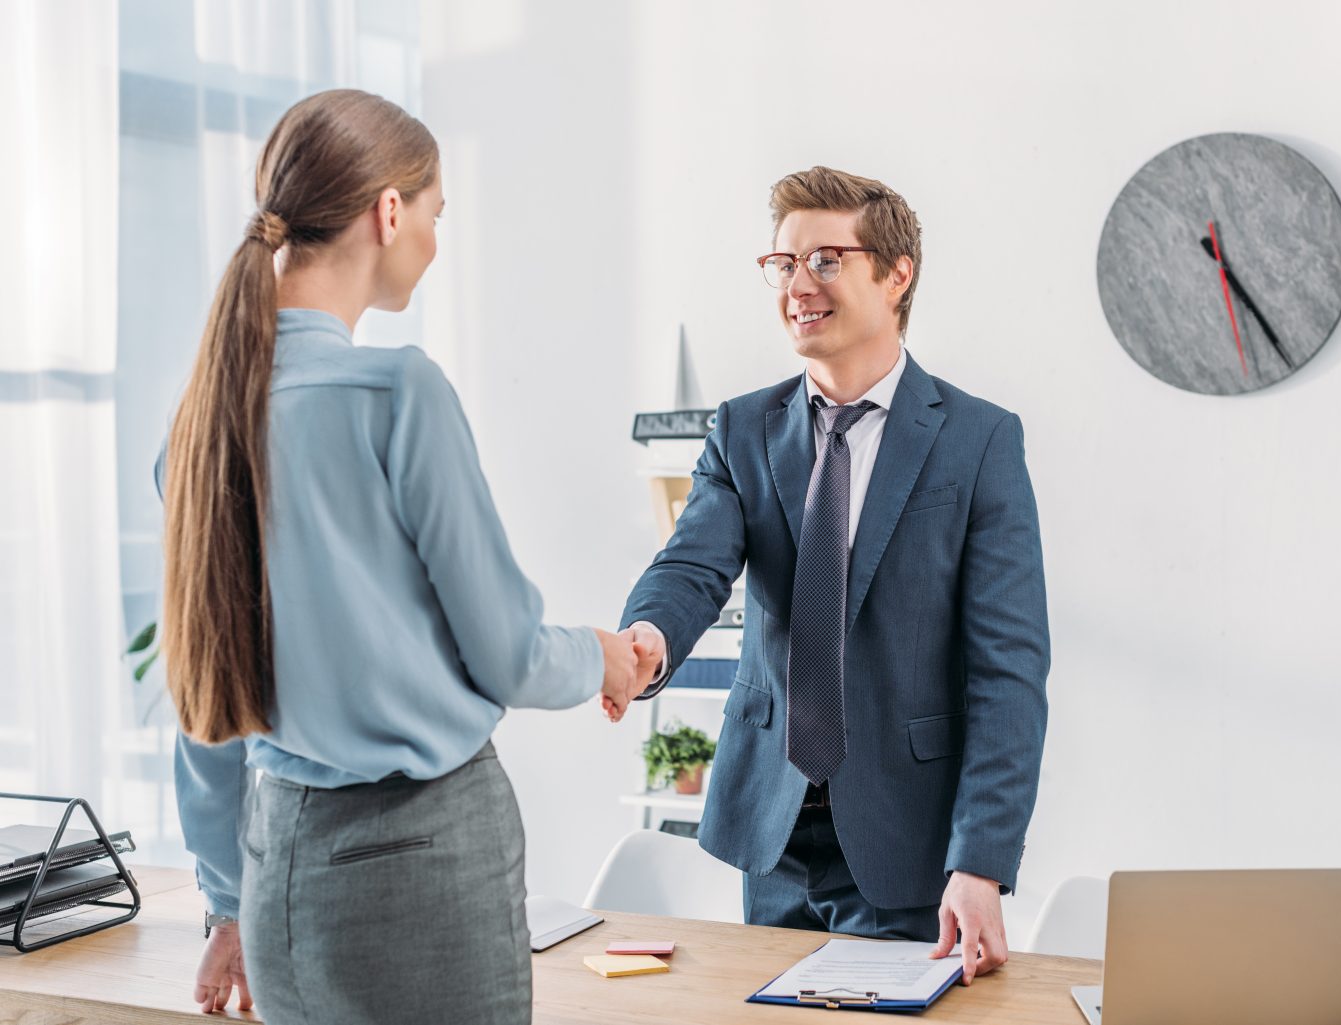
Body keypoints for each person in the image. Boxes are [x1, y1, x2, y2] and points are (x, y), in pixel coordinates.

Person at [158, 89, 646, 1025]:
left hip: (276, 872)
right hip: (421, 862)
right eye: (434, 213)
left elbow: (204, 698)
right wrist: (603, 655)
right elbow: (506, 651)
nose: (433, 236)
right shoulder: (395, 394)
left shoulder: (201, 422)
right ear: (390, 210)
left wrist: (226, 901)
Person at [618, 166, 1050, 985]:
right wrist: (646, 638)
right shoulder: (743, 427)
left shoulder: (980, 440)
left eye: (825, 260)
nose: (797, 286)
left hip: (909, 842)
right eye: (783, 264)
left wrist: (982, 861)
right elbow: (691, 565)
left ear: (896, 273)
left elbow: (1010, 674)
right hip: (770, 832)